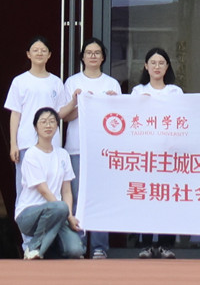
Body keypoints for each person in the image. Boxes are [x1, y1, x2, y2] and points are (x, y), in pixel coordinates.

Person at [61, 37, 120, 259]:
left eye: (97, 53)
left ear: (103, 57)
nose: (93, 56)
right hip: (76, 147)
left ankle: (99, 247)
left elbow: (119, 119)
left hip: (103, 150)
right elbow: (65, 117)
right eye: (89, 52)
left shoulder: (111, 84)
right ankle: (78, 245)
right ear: (83, 57)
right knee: (76, 198)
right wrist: (81, 104)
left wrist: (111, 104)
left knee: (101, 198)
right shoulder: (72, 83)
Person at [130, 47, 183, 260]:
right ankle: (145, 243)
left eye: (161, 63)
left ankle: (165, 244)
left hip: (168, 154)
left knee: (167, 198)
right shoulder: (138, 91)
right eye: (153, 62)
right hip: (145, 155)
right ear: (146, 66)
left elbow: (181, 118)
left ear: (167, 66)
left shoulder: (175, 92)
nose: (157, 66)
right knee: (146, 197)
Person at [15, 107, 84, 260]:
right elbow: (44, 190)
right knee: (59, 207)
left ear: (57, 126)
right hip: (29, 214)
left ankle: (46, 250)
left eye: (52, 121)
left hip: (57, 213)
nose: (48, 125)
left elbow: (67, 191)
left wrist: (69, 215)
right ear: (35, 127)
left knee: (75, 250)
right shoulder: (31, 154)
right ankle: (33, 247)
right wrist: (65, 212)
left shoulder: (63, 154)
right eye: (44, 122)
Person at [3, 36, 69, 169]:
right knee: (26, 181)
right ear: (28, 54)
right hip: (26, 142)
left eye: (43, 50)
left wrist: (75, 102)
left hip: (52, 143)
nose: (39, 53)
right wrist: (13, 144)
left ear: (49, 55)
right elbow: (15, 114)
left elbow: (60, 112)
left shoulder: (56, 82)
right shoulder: (19, 81)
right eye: (35, 50)